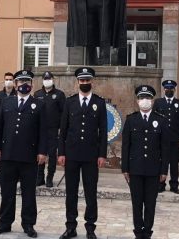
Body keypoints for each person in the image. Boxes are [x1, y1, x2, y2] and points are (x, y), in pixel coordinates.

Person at [0, 70, 47, 238]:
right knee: (7, 192)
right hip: (8, 155)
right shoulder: (7, 103)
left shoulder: (39, 104)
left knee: (29, 192)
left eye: (27, 81)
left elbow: (44, 130)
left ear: (32, 84)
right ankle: (5, 223)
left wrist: (43, 151)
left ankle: (28, 224)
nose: (23, 84)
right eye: (20, 82)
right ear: (15, 84)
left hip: (29, 156)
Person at [58, 67, 108, 239]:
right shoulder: (69, 102)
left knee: (90, 193)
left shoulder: (99, 103)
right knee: (71, 192)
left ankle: (90, 227)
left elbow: (103, 132)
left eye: (87, 80)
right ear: (77, 82)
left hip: (91, 156)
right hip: (71, 155)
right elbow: (63, 130)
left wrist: (102, 155)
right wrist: (61, 153)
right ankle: (70, 226)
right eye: (82, 81)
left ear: (91, 81)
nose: (85, 83)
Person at [121, 85, 170, 239]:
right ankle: (138, 232)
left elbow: (165, 148)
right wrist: (125, 168)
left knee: (150, 203)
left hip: (153, 170)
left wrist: (164, 170)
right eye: (142, 98)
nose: (145, 101)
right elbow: (126, 146)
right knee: (137, 203)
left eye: (148, 98)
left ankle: (147, 232)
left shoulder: (160, 120)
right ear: (137, 101)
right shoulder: (131, 120)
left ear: (152, 100)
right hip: (135, 169)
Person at [153, 79, 179, 194]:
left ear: (174, 89)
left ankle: (174, 185)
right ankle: (160, 184)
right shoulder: (158, 102)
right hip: (161, 138)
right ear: (163, 90)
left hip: (175, 139)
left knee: (174, 163)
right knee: (161, 161)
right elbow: (154, 119)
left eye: (171, 88)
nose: (169, 90)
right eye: (167, 88)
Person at [34, 70, 66, 187]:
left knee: (52, 154)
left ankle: (49, 177)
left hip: (53, 129)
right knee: (40, 152)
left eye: (49, 78)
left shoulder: (59, 94)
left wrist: (61, 128)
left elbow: (64, 113)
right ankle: (39, 177)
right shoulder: (37, 94)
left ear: (53, 80)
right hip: (40, 129)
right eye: (45, 79)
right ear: (42, 80)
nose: (47, 81)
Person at [0, 71, 17, 181]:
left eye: (10, 79)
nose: (8, 81)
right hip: (1, 128)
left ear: (14, 82)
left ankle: (15, 173)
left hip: (13, 128)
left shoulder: (17, 95)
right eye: (6, 79)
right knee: (0, 149)